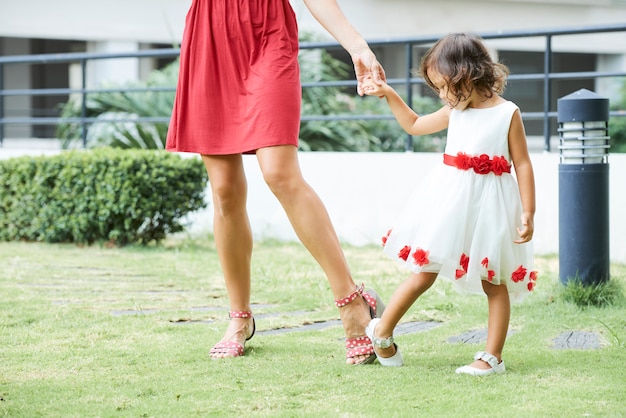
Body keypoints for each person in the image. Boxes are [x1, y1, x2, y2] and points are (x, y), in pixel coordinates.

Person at [165, 0, 386, 364]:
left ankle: (351, 302)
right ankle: (239, 317)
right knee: (224, 191)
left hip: (267, 32)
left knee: (280, 173)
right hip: (210, 36)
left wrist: (357, 45)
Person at [361, 32, 538, 374]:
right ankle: (381, 331)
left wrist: (528, 211)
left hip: (491, 207)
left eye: (445, 86)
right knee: (423, 272)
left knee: (494, 281)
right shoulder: (454, 111)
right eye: (437, 88)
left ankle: (492, 357)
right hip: (450, 202)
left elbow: (524, 163)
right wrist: (389, 94)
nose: (442, 95)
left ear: (468, 75)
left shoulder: (507, 114)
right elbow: (413, 124)